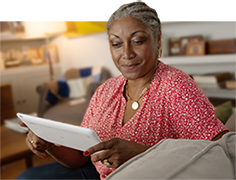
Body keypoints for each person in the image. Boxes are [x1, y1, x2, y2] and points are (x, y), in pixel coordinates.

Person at [16, 2, 228, 180]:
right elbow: (82, 157)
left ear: (158, 39)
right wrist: (49, 143)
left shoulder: (176, 86)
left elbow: (222, 152)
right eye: (116, 44)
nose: (126, 53)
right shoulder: (106, 90)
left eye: (138, 41)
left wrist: (143, 153)